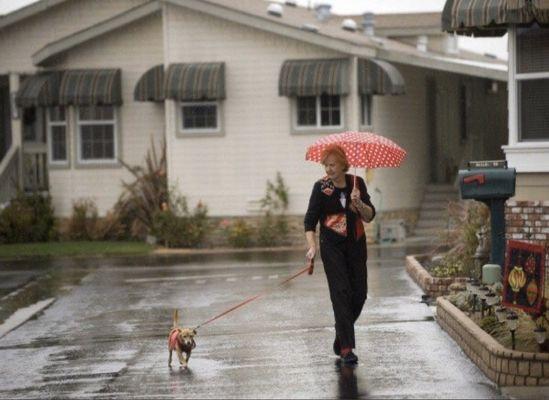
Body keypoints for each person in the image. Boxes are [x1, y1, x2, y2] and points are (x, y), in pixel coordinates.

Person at [304, 144, 375, 364]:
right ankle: (346, 348)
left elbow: (370, 216)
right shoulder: (321, 187)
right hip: (331, 247)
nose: (328, 168)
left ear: (343, 164)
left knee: (360, 294)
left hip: (356, 245)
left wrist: (358, 203)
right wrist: (312, 246)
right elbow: (310, 221)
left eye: (332, 164)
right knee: (341, 292)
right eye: (325, 164)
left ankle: (340, 335)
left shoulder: (357, 183)